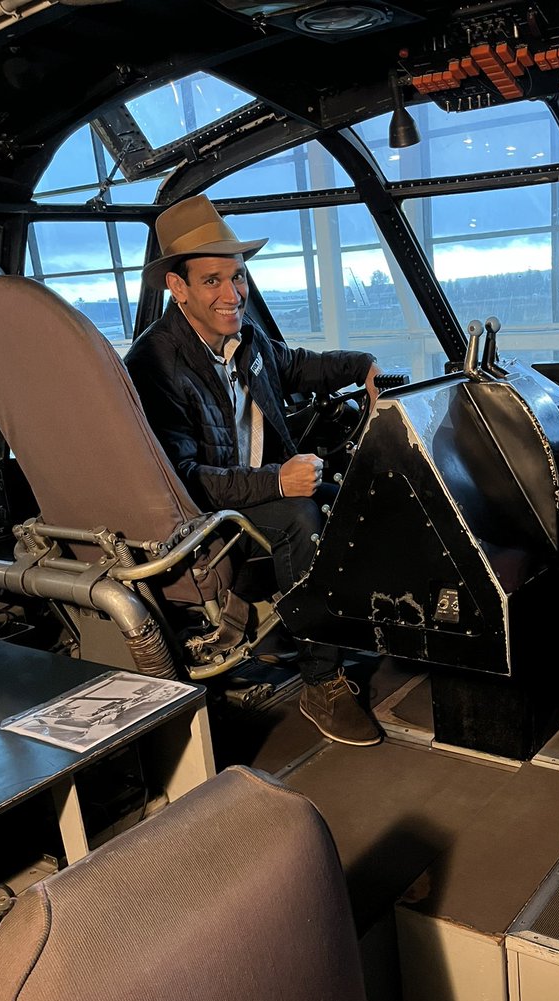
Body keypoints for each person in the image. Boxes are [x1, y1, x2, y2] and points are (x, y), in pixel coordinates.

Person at [126, 194, 383, 747]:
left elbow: (293, 366)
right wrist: (275, 482)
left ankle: (324, 620)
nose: (232, 294)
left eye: (237, 277)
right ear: (179, 288)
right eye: (213, 280)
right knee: (300, 515)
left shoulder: (240, 337)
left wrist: (362, 364)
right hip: (202, 512)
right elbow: (182, 477)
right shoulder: (154, 365)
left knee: (354, 493)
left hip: (249, 488)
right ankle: (322, 682)